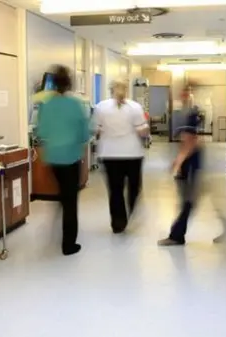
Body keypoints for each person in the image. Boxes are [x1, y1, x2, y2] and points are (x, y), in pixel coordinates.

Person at [158, 85, 226, 246]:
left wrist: (178, 161)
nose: (184, 95)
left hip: (192, 165)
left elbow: (190, 142)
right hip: (193, 164)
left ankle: (177, 235)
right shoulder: (184, 114)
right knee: (199, 199)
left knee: (188, 201)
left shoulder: (191, 114)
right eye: (183, 92)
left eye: (187, 93)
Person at [35, 65, 90, 256]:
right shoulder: (75, 104)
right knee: (70, 201)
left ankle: (52, 231)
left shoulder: (45, 104)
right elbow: (84, 134)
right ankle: (68, 245)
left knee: (62, 195)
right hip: (70, 157)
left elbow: (40, 132)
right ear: (69, 84)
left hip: (53, 157)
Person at [94, 80, 149, 233]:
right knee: (134, 188)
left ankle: (118, 223)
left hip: (109, 154)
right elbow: (142, 131)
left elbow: (96, 130)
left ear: (110, 90)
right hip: (132, 154)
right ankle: (131, 209)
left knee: (115, 190)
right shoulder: (135, 107)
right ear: (126, 90)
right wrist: (145, 129)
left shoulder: (100, 107)